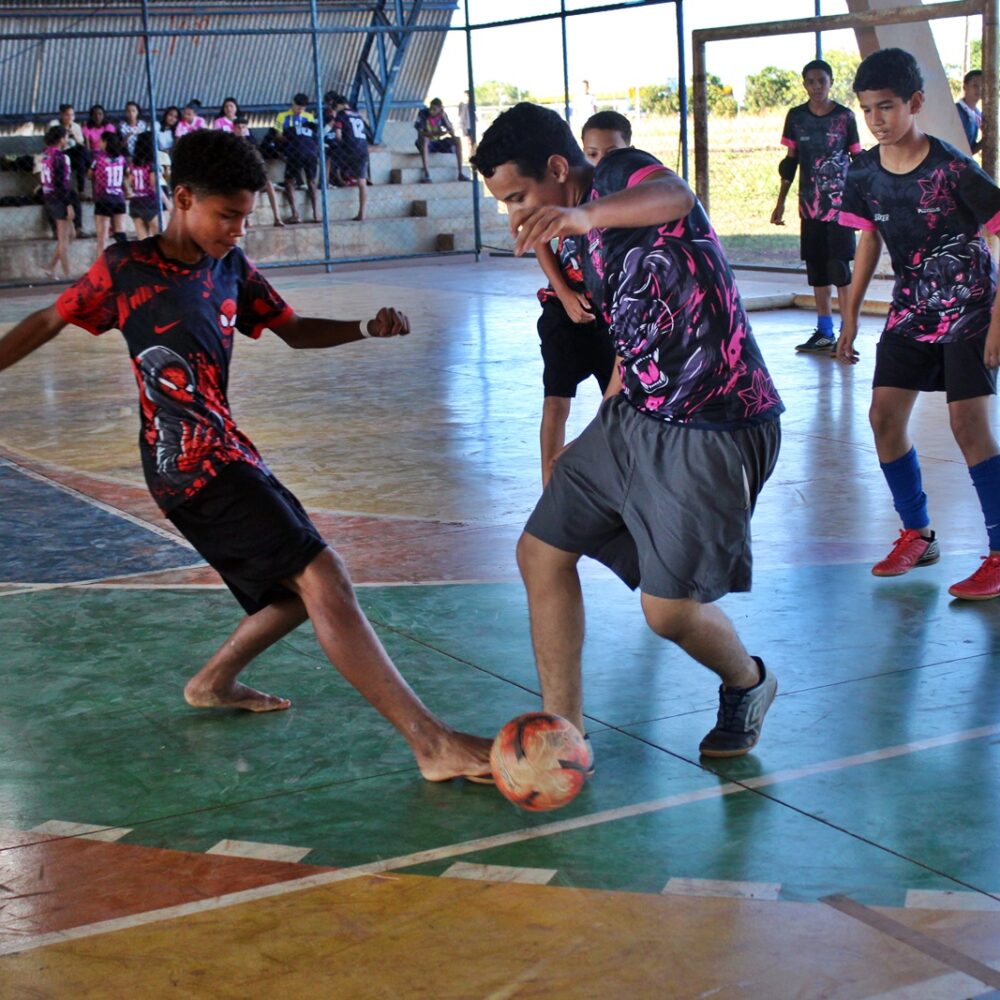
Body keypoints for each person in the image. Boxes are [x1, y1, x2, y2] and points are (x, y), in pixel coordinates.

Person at [0, 128, 492, 782]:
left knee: (296, 594)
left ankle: (213, 682)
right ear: (181, 198)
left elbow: (291, 332)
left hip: (231, 451)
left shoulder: (231, 267)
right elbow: (48, 320)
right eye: (226, 215)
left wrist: (362, 328)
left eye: (245, 217)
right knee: (326, 577)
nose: (237, 229)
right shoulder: (126, 269)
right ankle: (430, 743)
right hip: (187, 466)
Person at [472, 104, 784, 759]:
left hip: (715, 422)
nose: (515, 213)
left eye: (519, 196)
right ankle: (564, 731)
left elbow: (677, 195)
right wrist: (601, 427)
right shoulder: (575, 239)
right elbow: (634, 332)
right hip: (635, 413)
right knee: (541, 552)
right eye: (504, 203)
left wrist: (582, 215)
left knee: (667, 613)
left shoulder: (617, 175)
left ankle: (748, 682)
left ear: (559, 169)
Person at [836, 48, 1000, 600]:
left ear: (916, 103)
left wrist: (998, 325)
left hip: (972, 306)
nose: (877, 120)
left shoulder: (954, 169)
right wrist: (850, 318)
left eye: (886, 107)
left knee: (967, 425)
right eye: (866, 110)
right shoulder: (862, 171)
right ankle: (917, 533)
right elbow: (867, 242)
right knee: (883, 416)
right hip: (911, 308)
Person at [529, 110, 630, 487]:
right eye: (591, 152)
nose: (599, 161)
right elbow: (539, 238)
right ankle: (549, 490)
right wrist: (565, 293)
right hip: (563, 309)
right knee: (556, 401)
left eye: (610, 152)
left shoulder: (631, 199)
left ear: (629, 150)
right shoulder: (569, 190)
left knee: (620, 405)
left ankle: (622, 484)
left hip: (610, 315)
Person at [772, 59, 863, 355]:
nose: (816, 87)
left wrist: (863, 203)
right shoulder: (796, 117)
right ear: (804, 84)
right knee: (818, 271)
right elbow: (790, 163)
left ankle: (847, 332)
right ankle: (824, 332)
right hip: (809, 206)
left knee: (839, 269)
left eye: (821, 81)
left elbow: (857, 161)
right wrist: (781, 203)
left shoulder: (845, 117)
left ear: (831, 82)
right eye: (810, 81)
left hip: (839, 207)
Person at [275, 92, 320, 223]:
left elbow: (313, 134)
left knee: (310, 181)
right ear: (293, 104)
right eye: (298, 107)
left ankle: (315, 213)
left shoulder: (309, 117)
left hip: (306, 151)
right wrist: (292, 141)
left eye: (303, 108)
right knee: (291, 181)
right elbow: (278, 134)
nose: (300, 111)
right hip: (295, 151)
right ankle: (296, 213)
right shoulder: (282, 116)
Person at [233, 116, 284, 227]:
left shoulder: (251, 143)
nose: (241, 130)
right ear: (234, 129)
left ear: (246, 129)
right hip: (240, 176)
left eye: (243, 127)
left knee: (268, 183)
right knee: (248, 187)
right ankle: (246, 218)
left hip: (254, 174)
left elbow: (259, 162)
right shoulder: (232, 145)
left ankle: (277, 218)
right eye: (238, 128)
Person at [326, 92, 370, 221]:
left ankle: (328, 181)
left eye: (336, 106)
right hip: (363, 149)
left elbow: (338, 135)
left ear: (340, 105)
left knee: (330, 155)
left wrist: (340, 144)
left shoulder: (341, 114)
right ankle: (362, 213)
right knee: (362, 183)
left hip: (349, 148)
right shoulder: (358, 114)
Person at [38, 126, 74, 280]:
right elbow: (61, 183)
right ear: (61, 140)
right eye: (65, 137)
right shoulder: (61, 157)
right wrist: (68, 204)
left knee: (70, 234)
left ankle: (51, 267)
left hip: (49, 197)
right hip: (59, 199)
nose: (66, 140)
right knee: (64, 238)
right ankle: (68, 275)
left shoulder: (46, 155)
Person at [48, 104, 86, 237]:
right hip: (54, 186)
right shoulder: (54, 125)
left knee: (82, 154)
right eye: (67, 115)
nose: (70, 118)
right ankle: (57, 231)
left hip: (70, 155)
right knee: (63, 198)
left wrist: (74, 135)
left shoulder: (76, 127)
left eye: (72, 115)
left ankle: (77, 228)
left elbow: (81, 144)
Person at [90, 131, 129, 259]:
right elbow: (127, 173)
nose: (99, 143)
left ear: (106, 142)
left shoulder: (99, 159)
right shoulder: (122, 159)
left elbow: (90, 174)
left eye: (101, 141)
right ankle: (127, 261)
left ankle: (100, 269)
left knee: (102, 237)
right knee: (120, 232)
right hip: (118, 198)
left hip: (103, 198)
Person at [414, 98, 469, 183]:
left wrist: (444, 119)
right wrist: (435, 134)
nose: (432, 111)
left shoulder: (442, 115)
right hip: (427, 143)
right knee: (425, 140)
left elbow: (452, 133)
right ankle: (427, 174)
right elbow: (421, 133)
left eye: (434, 109)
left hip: (438, 142)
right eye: (431, 109)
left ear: (440, 109)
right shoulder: (423, 113)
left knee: (457, 140)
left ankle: (460, 173)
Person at [128, 131, 169, 239]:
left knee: (143, 242)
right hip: (150, 202)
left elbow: (130, 182)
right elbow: (155, 185)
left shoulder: (133, 165)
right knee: (161, 240)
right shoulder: (152, 165)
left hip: (136, 201)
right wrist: (168, 203)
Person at [955, 68, 983, 156]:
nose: (979, 89)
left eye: (982, 86)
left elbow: (969, 150)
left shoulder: (978, 115)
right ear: (965, 87)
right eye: (975, 85)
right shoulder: (956, 111)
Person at [457, 90, 475, 155]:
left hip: (470, 125)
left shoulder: (471, 105)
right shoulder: (463, 105)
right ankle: (471, 154)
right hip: (467, 125)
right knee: (469, 141)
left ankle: (472, 153)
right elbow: (461, 115)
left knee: (472, 141)